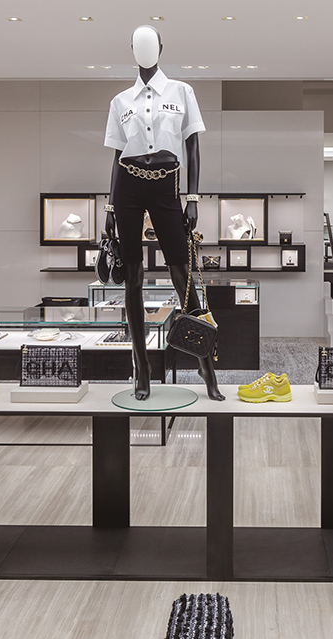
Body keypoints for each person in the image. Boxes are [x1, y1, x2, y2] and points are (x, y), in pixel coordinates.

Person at [103, 24, 224, 401]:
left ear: (161, 47)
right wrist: (110, 206)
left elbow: (193, 148)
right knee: (133, 278)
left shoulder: (181, 92)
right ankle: (141, 367)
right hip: (128, 185)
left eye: (150, 43)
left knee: (181, 273)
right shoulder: (120, 101)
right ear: (131, 50)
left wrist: (193, 197)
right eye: (137, 45)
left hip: (167, 185)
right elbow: (116, 156)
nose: (144, 49)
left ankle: (206, 368)